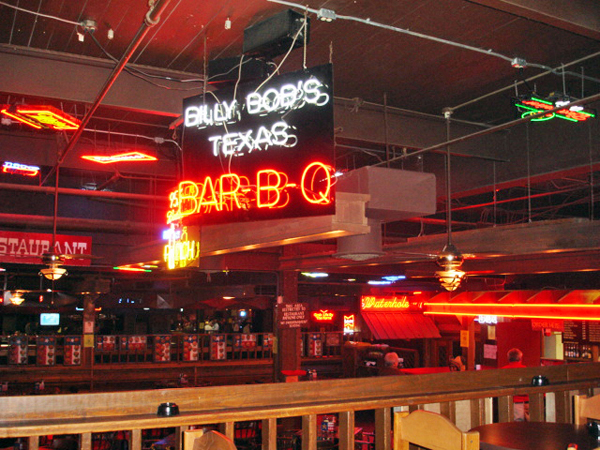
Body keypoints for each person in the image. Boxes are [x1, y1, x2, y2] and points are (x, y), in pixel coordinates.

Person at [501, 348, 529, 421]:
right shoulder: (525, 370)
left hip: (508, 402)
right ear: (520, 358)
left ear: (508, 358)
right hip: (524, 402)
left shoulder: (503, 370)